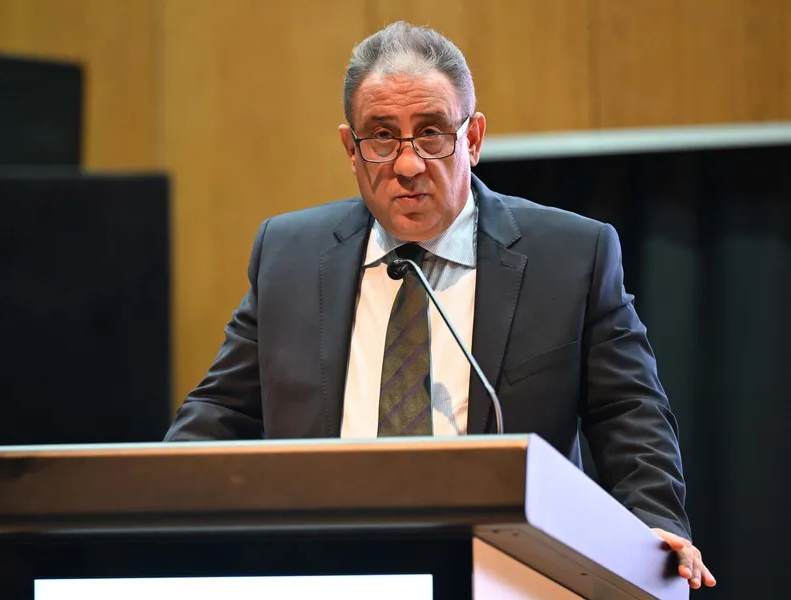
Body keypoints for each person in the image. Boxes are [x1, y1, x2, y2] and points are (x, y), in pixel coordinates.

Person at [164, 21, 715, 590]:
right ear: (351, 150)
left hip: (503, 574)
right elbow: (222, 410)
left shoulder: (571, 256)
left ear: (472, 139)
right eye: (382, 137)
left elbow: (627, 410)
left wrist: (652, 525)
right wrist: (155, 509)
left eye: (431, 133)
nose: (407, 165)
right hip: (323, 574)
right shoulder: (289, 255)